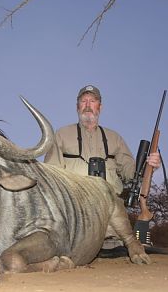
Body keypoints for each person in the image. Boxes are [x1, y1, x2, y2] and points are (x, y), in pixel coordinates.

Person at [44, 85, 161, 246]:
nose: (87, 105)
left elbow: (131, 173)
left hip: (111, 209)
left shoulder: (115, 138)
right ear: (77, 106)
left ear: (100, 106)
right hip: (76, 207)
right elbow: (51, 175)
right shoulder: (61, 135)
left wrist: (150, 165)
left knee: (122, 243)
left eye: (92, 101)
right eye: (83, 101)